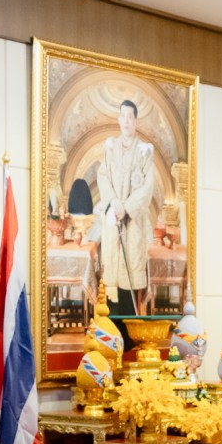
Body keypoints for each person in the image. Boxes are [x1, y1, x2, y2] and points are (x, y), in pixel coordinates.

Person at [88, 99, 155, 316]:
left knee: (130, 277)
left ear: (135, 121)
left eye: (130, 117)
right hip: (113, 219)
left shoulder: (145, 151)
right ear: (119, 119)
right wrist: (114, 203)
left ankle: (130, 337)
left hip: (132, 223)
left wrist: (126, 207)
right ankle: (112, 332)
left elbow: (147, 186)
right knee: (113, 278)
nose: (126, 121)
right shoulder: (110, 148)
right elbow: (103, 176)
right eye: (122, 116)